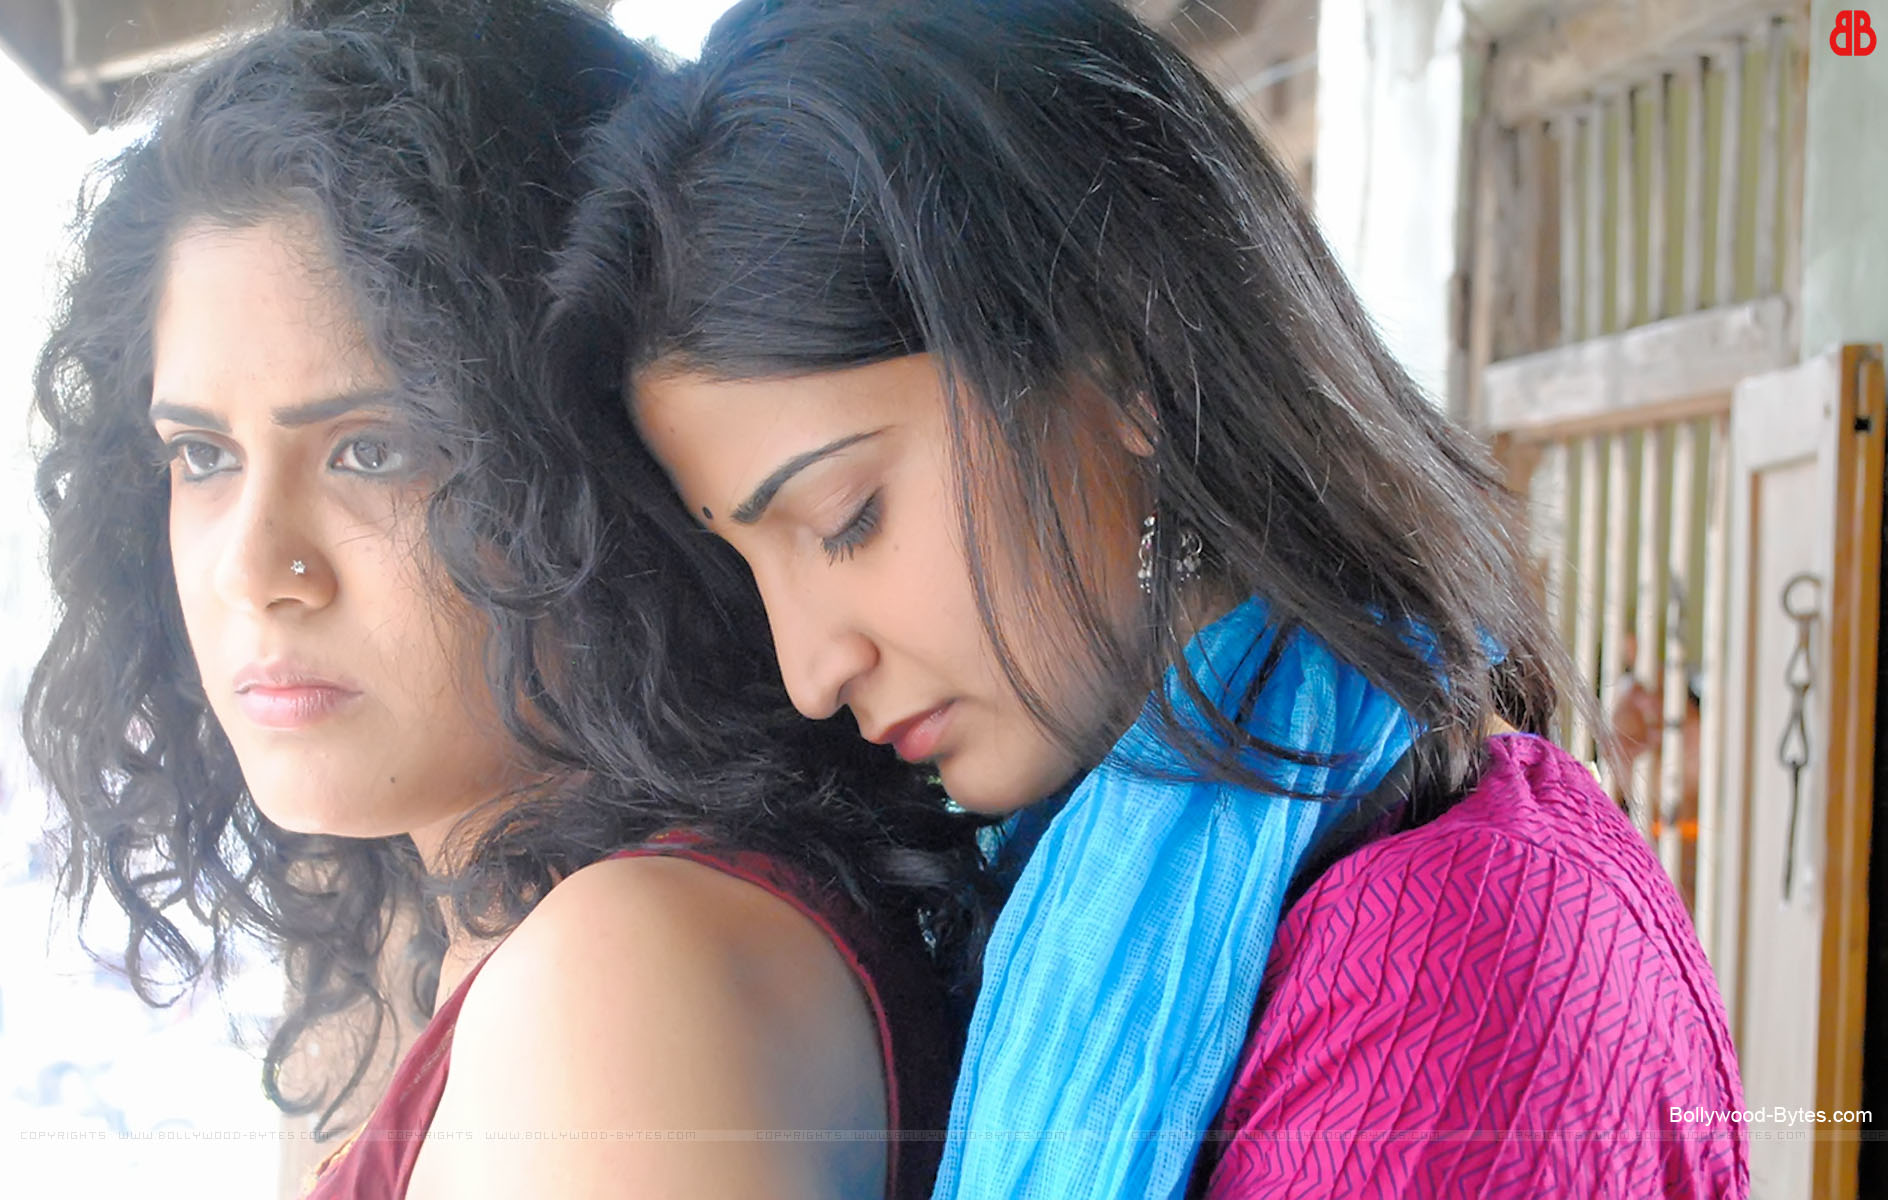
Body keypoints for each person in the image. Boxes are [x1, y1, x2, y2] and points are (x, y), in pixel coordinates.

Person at [544, 0, 1747, 1195]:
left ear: (1126, 358)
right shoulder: (1070, 883)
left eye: (845, 517)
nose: (811, 670)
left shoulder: (1451, 974)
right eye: (750, 568)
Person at [23, 2, 986, 1196]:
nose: (252, 568)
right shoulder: (553, 942)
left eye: (373, 450)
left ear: (592, 465)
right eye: (203, 456)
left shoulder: (620, 975)